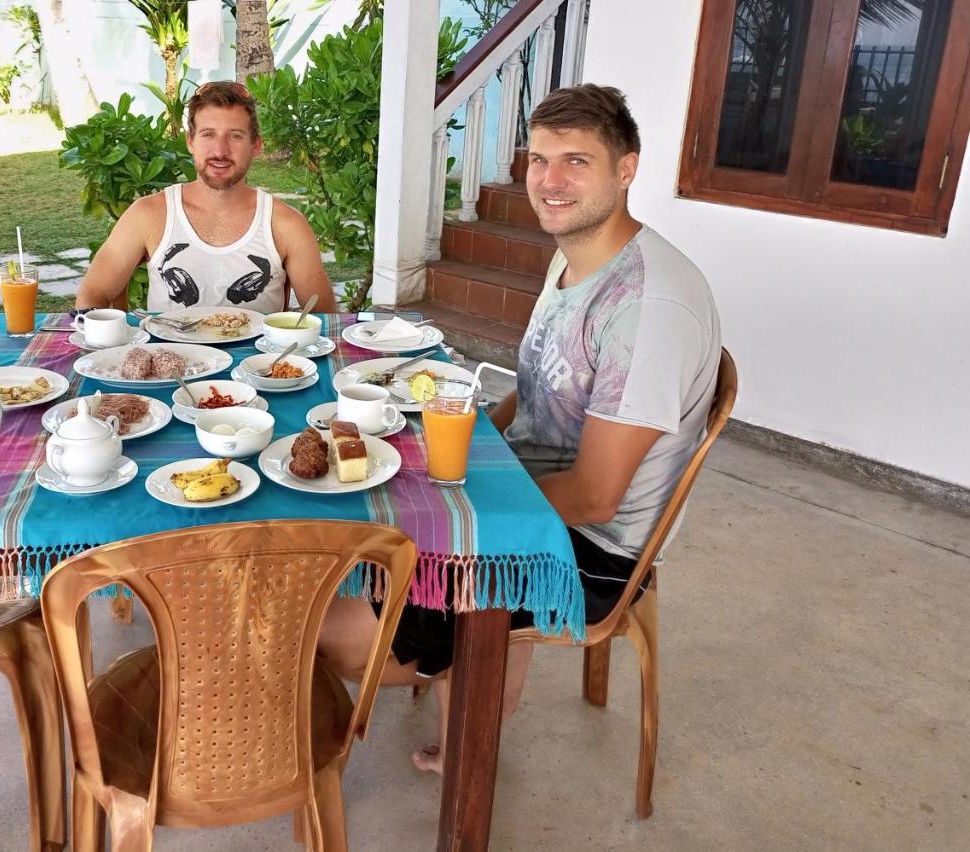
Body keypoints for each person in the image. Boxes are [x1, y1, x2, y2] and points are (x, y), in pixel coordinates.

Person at [318, 84, 722, 773]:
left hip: (585, 551)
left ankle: (469, 685)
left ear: (627, 169)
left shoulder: (647, 307)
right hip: (531, 495)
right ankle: (470, 699)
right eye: (538, 159)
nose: (550, 181)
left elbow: (595, 498)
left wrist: (450, 504)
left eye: (576, 161)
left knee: (329, 637)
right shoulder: (576, 252)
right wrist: (458, 436)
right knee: (340, 520)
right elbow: (531, 397)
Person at [75, 81, 335, 313]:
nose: (220, 151)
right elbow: (94, 292)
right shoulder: (149, 214)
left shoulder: (286, 225)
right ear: (190, 142)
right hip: (169, 363)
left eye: (235, 136)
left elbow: (324, 317)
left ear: (255, 145)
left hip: (258, 366)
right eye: (208, 134)